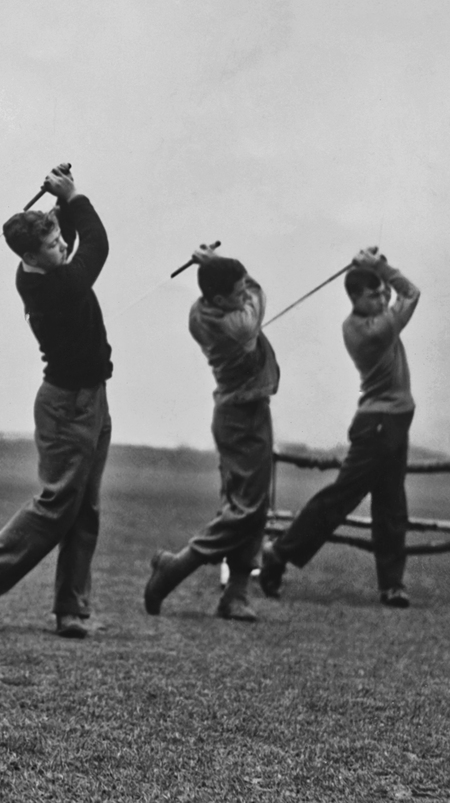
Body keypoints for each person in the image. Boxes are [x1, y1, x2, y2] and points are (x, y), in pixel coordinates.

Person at [0, 164, 112, 639]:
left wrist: (60, 204)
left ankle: (71, 608)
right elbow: (97, 245)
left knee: (86, 508)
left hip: (91, 399)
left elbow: (69, 237)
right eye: (56, 245)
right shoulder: (56, 284)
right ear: (34, 254)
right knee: (58, 507)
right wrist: (73, 196)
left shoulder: (40, 264)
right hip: (67, 408)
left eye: (60, 241)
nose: (64, 247)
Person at [259, 247, 420, 607]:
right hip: (378, 425)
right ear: (355, 298)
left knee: (392, 504)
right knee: (341, 499)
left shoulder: (373, 316)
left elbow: (395, 293)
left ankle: (392, 584)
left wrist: (375, 266)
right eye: (373, 293)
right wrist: (381, 266)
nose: (382, 297)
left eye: (381, 292)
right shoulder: (370, 330)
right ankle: (279, 552)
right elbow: (410, 293)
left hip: (392, 422)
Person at [143, 246, 280, 621]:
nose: (243, 296)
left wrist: (212, 267)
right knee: (246, 510)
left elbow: (237, 289)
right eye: (235, 294)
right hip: (243, 417)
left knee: (248, 507)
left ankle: (235, 594)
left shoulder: (199, 311)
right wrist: (225, 270)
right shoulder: (237, 324)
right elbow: (256, 293)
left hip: (240, 412)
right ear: (220, 298)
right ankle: (176, 567)